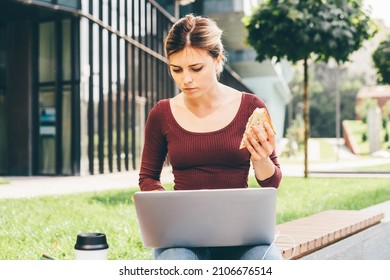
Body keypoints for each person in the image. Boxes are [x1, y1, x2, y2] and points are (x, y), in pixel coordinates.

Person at [138, 14, 282, 260]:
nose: (186, 79)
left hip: (243, 238)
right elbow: (148, 178)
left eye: (196, 68)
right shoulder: (162, 113)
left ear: (216, 60)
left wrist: (261, 158)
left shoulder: (251, 107)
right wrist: (168, 210)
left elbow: (271, 182)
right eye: (177, 69)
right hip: (182, 237)